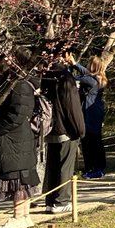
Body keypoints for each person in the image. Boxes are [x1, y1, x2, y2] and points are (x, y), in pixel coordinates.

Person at [0, 45, 42, 228]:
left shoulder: (20, 84)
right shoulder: (13, 81)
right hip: (14, 139)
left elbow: (18, 113)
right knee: (19, 176)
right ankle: (24, 215)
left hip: (14, 139)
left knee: (18, 178)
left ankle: (19, 216)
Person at [41, 48, 87, 214]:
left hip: (50, 127)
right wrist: (80, 130)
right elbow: (72, 108)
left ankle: (50, 200)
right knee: (64, 167)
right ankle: (62, 200)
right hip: (66, 129)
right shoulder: (65, 79)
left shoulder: (46, 76)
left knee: (52, 165)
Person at [81, 55, 108, 178]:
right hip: (96, 112)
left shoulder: (90, 80)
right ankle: (99, 167)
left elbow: (75, 77)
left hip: (89, 113)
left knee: (89, 142)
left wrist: (72, 65)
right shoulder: (100, 79)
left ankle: (92, 168)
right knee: (96, 141)